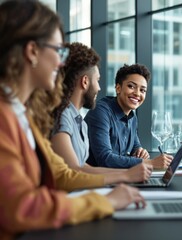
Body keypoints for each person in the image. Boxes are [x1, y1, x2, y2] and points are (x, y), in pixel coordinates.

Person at [0, 1, 145, 238]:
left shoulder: (21, 114)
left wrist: (118, 186)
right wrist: (103, 202)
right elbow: (21, 207)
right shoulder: (5, 117)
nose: (61, 62)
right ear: (32, 51)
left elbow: (62, 175)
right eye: (58, 51)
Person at [51, 42, 152, 183]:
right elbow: (73, 172)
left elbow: (83, 167)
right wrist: (136, 170)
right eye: (97, 80)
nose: (99, 88)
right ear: (85, 82)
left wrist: (130, 173)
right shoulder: (63, 116)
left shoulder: (78, 119)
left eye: (142, 90)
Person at [85, 63, 173, 169]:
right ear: (118, 88)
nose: (137, 94)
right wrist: (151, 163)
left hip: (119, 177)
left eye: (142, 90)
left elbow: (135, 146)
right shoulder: (100, 111)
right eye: (131, 86)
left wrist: (140, 151)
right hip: (96, 181)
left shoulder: (132, 117)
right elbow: (105, 159)